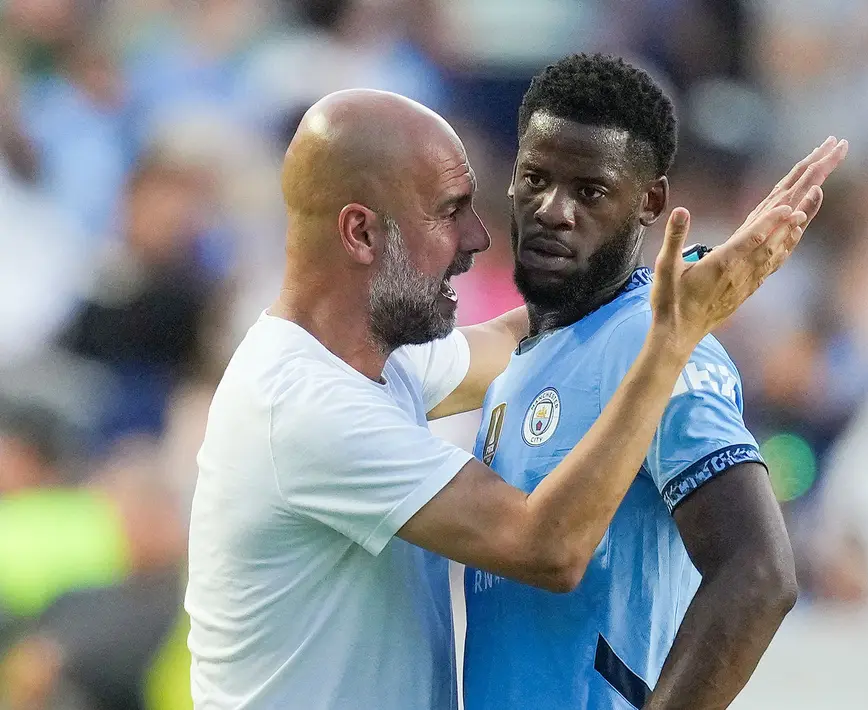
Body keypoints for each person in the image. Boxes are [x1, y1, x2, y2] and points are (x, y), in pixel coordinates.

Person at [184, 86, 835, 709]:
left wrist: (666, 284)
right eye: (447, 211)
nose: (478, 239)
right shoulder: (304, 407)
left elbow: (511, 334)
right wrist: (671, 339)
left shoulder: (373, 360)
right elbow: (543, 547)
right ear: (360, 233)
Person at [461, 54, 848, 710]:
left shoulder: (657, 344)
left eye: (589, 191)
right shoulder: (523, 354)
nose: (553, 210)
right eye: (535, 179)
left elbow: (758, 573)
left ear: (650, 201)